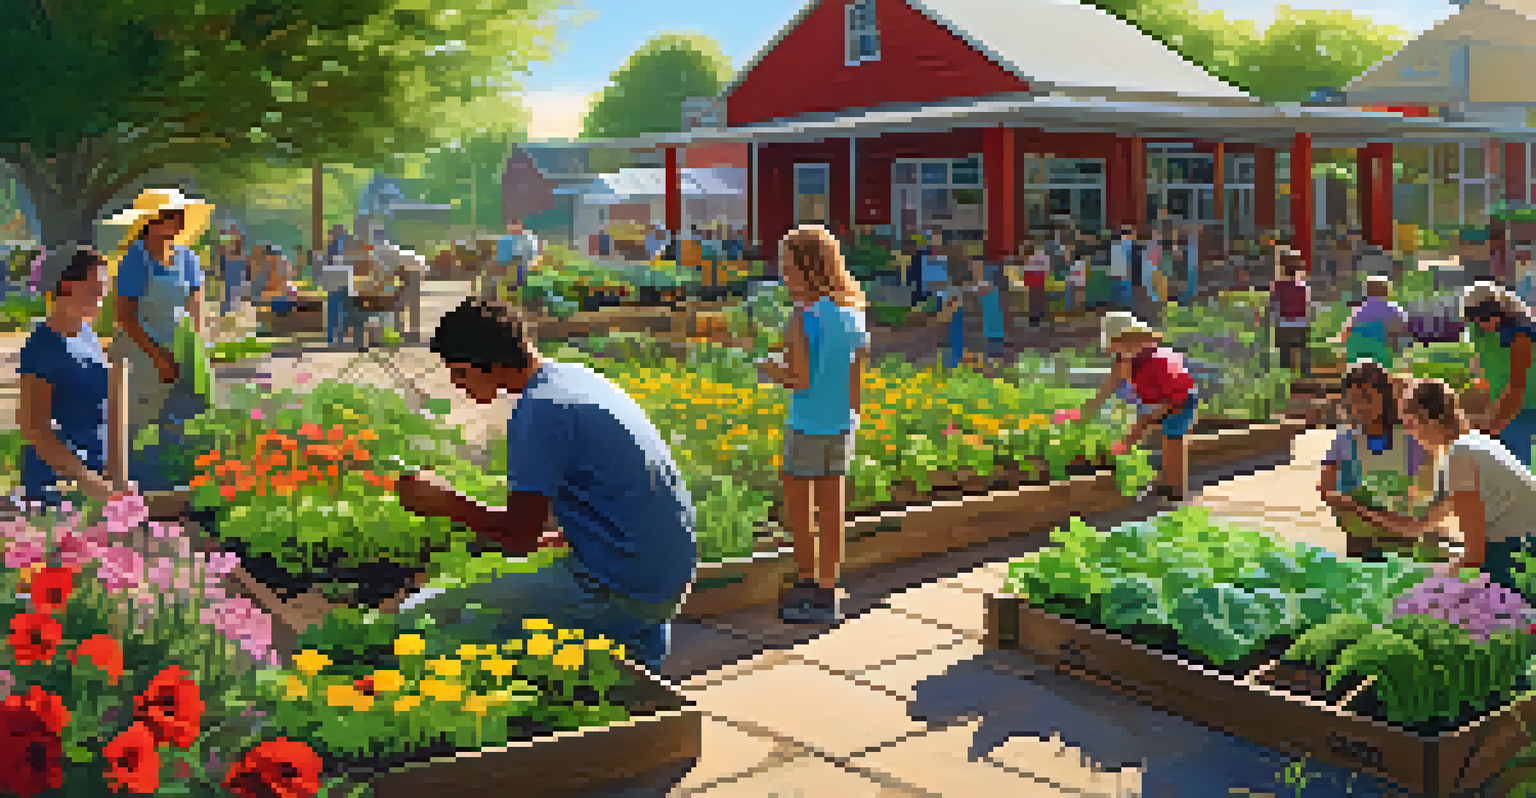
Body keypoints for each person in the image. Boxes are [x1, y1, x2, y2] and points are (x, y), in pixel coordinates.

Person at [392, 299, 697, 673]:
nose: (458, 385)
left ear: (486, 365)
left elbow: (518, 537)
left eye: (459, 373)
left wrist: (443, 501)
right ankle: (629, 660)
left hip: (619, 591)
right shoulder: (576, 379)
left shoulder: (542, 409)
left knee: (417, 619)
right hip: (665, 584)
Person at [758, 225, 869, 625]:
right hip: (840, 425)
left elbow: (799, 379)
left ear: (810, 269)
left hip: (805, 424)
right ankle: (828, 590)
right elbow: (855, 384)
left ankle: (806, 581)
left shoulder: (801, 319)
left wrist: (770, 369)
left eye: (789, 269)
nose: (785, 278)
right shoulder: (853, 316)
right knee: (832, 511)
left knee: (800, 512)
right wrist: (850, 417)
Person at [1360, 379, 1536, 594]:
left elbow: (1475, 556)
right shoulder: (1472, 442)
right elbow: (1419, 525)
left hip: (1523, 554)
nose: (1409, 433)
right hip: (1520, 546)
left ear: (1427, 420)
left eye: (1410, 424)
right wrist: (1363, 511)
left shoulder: (1460, 456)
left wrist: (1429, 588)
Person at [104, 188, 214, 494]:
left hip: (178, 342)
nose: (176, 221)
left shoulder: (187, 258)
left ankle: (173, 480)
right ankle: (120, 486)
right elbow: (124, 315)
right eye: (168, 215)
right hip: (139, 347)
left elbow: (195, 307)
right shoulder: (135, 259)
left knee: (177, 416)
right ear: (149, 222)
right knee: (133, 419)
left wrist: (196, 349)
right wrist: (157, 355)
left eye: (179, 215)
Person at [16, 246, 129, 509]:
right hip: (57, 484)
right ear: (66, 287)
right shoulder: (42, 347)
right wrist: (87, 480)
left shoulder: (87, 335)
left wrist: (116, 476)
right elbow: (35, 428)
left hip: (96, 475)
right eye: (95, 290)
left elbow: (107, 409)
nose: (102, 298)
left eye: (103, 290)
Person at [1318, 360, 1436, 559]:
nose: (1360, 406)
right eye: (1353, 399)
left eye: (1367, 397)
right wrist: (1349, 504)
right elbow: (1326, 488)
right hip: (1361, 537)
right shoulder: (1344, 440)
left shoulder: (1413, 439)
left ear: (1386, 396)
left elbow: (1427, 490)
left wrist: (1400, 507)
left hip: (1405, 536)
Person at [1078, 312, 1200, 503]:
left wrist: (1152, 416)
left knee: (1172, 441)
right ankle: (1152, 473)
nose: (1125, 350)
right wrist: (1085, 414)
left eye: (1130, 343)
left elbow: (1175, 393)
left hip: (1180, 401)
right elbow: (1106, 389)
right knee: (1142, 431)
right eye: (1120, 345)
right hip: (1155, 400)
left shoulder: (1161, 362)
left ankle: (1175, 488)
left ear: (1143, 341)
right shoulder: (1124, 362)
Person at [1463, 282, 1536, 469]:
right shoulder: (1477, 331)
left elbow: (1518, 386)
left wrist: (1491, 426)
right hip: (1500, 401)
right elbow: (1484, 371)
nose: (1484, 322)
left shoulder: (1521, 333)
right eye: (1476, 317)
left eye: (1488, 315)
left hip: (1525, 406)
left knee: (1515, 464)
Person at [1341, 275, 1409, 370]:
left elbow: (1345, 334)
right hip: (1382, 358)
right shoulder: (1394, 311)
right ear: (1387, 291)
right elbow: (1401, 333)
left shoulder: (1357, 311)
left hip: (1356, 358)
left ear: (1367, 291)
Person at [1269, 254, 1313, 376]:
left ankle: (1285, 377)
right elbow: (1307, 306)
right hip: (1300, 322)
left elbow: (1273, 307)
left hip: (1283, 322)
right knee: (1303, 350)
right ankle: (1305, 374)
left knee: (1284, 353)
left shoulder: (1278, 286)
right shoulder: (1302, 286)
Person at [320, 229, 355, 349]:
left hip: (333, 279)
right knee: (340, 310)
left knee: (333, 310)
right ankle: (338, 337)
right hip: (341, 279)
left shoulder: (331, 248)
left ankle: (332, 338)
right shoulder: (344, 247)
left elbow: (327, 264)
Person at [489, 219, 540, 301]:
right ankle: (495, 294)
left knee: (516, 270)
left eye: (515, 225)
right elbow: (500, 257)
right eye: (511, 226)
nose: (512, 229)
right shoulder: (504, 239)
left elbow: (531, 257)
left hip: (522, 267)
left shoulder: (528, 239)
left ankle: (515, 292)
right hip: (506, 267)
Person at [979, 256, 1008, 365]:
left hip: (993, 328)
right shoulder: (990, 288)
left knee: (994, 337)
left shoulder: (990, 289)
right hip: (991, 328)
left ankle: (994, 360)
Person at [1022, 241, 1050, 328]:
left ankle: (1035, 317)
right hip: (1039, 280)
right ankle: (1038, 315)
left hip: (1035, 281)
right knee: (1038, 298)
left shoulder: (1031, 257)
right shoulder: (1042, 257)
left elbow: (1028, 269)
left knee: (1034, 299)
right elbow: (1046, 269)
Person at [1109, 226, 1134, 310]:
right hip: (1124, 277)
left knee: (1118, 299)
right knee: (1124, 299)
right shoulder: (1128, 245)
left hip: (1118, 276)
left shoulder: (1116, 245)